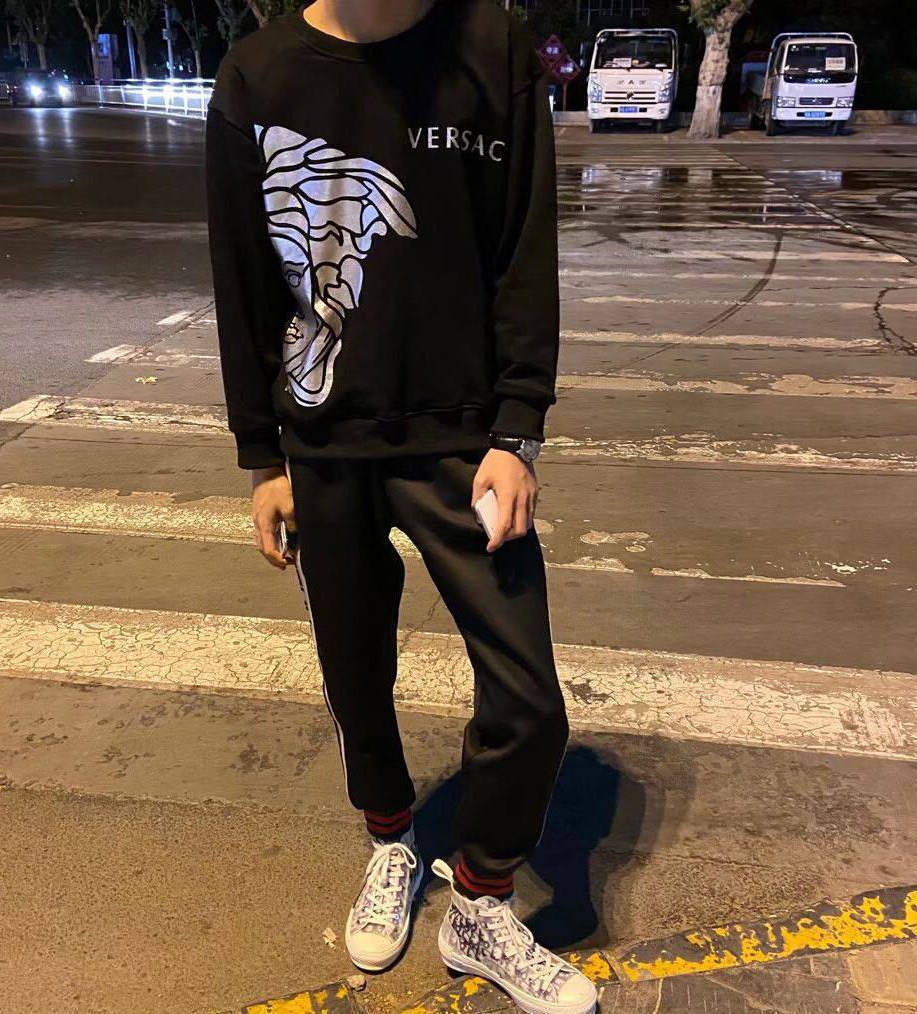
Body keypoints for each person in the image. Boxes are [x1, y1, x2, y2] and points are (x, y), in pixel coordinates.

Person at [206, 2, 597, 1011]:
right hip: (323, 444)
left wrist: (518, 430)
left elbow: (524, 251)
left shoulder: (494, 47)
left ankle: (479, 902)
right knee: (355, 671)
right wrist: (262, 455)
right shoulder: (258, 76)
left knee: (528, 697)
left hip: (463, 441)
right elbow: (242, 278)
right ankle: (391, 839)